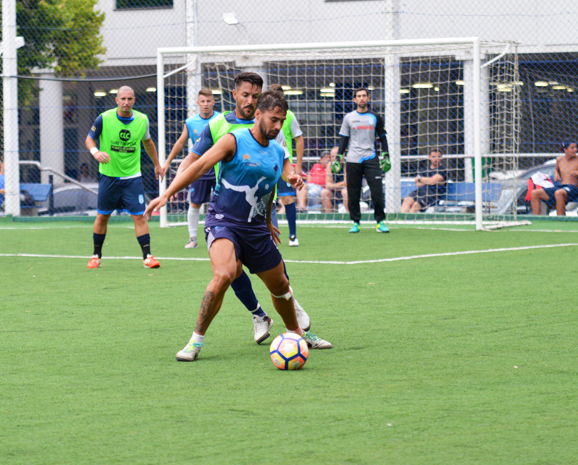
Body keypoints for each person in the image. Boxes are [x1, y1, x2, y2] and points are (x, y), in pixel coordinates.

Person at [145, 90, 332, 361]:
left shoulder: (278, 152)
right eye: (273, 119)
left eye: (282, 121)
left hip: (255, 228)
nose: (278, 126)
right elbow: (198, 167)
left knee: (280, 285)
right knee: (224, 273)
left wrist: (267, 220)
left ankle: (297, 334)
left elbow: (266, 190)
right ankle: (195, 341)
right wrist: (165, 194)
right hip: (224, 221)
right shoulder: (233, 140)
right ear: (258, 114)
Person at [176, 72, 311, 344]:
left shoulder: (272, 125)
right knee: (230, 269)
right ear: (235, 95)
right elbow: (194, 159)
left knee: (276, 275)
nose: (250, 100)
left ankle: (287, 305)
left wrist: (287, 184)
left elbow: (278, 168)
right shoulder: (218, 126)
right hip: (227, 210)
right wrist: (171, 189)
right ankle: (258, 314)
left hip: (260, 211)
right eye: (246, 94)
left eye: (255, 96)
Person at [85, 85, 163, 269]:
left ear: (134, 100)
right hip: (108, 177)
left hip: (132, 178)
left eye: (130, 99)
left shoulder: (142, 120)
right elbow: (89, 138)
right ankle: (96, 255)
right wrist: (96, 152)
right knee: (102, 216)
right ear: (117, 100)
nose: (126, 102)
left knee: (139, 217)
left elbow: (148, 143)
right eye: (123, 99)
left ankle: (147, 257)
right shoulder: (104, 118)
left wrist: (157, 164)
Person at [161, 88, 219, 249]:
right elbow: (180, 142)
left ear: (213, 102)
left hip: (219, 167)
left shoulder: (221, 119)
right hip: (199, 169)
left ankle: (223, 235)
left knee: (223, 204)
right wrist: (167, 162)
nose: (206, 104)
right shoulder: (191, 122)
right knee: (195, 204)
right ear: (198, 103)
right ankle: (192, 238)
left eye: (209, 101)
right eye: (203, 101)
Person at [332, 87, 390, 233]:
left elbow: (383, 138)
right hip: (353, 159)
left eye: (364, 96)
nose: (362, 98)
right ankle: (356, 222)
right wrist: (339, 157)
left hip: (371, 158)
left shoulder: (375, 117)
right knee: (353, 193)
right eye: (359, 96)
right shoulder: (348, 118)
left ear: (368, 99)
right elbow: (344, 139)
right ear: (354, 99)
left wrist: (386, 156)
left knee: (377, 191)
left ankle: (380, 222)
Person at [269, 84, 304, 247]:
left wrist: (297, 167)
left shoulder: (289, 116)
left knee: (288, 199)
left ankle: (292, 235)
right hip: (265, 166)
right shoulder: (263, 118)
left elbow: (299, 140)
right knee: (267, 201)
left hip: (284, 165)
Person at [531, 140, 578, 215]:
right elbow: (557, 169)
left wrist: (576, 173)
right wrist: (556, 173)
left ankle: (561, 220)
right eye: (572, 148)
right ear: (565, 150)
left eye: (576, 147)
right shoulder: (559, 160)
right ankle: (536, 219)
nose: (575, 149)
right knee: (535, 193)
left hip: (573, 188)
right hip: (560, 186)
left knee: (559, 193)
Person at [401, 148, 447, 213]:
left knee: (415, 205)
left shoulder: (442, 170)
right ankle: (403, 220)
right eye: (433, 157)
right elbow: (418, 183)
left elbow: (432, 181)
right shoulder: (425, 169)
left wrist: (421, 179)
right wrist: (426, 181)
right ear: (429, 157)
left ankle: (409, 221)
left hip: (432, 195)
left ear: (441, 157)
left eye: (438, 157)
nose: (436, 159)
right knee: (407, 200)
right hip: (420, 191)